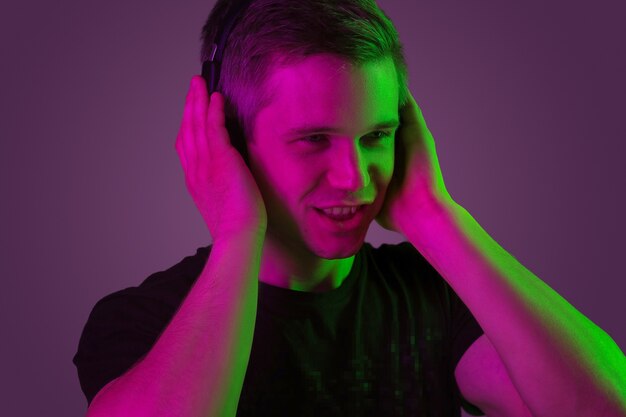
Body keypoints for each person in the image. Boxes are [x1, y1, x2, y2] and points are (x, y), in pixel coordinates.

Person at [73, 1, 626, 416]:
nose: (355, 178)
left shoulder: (432, 296)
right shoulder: (140, 319)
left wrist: (436, 216)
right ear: (230, 142)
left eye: (376, 136)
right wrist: (238, 235)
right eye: (315, 138)